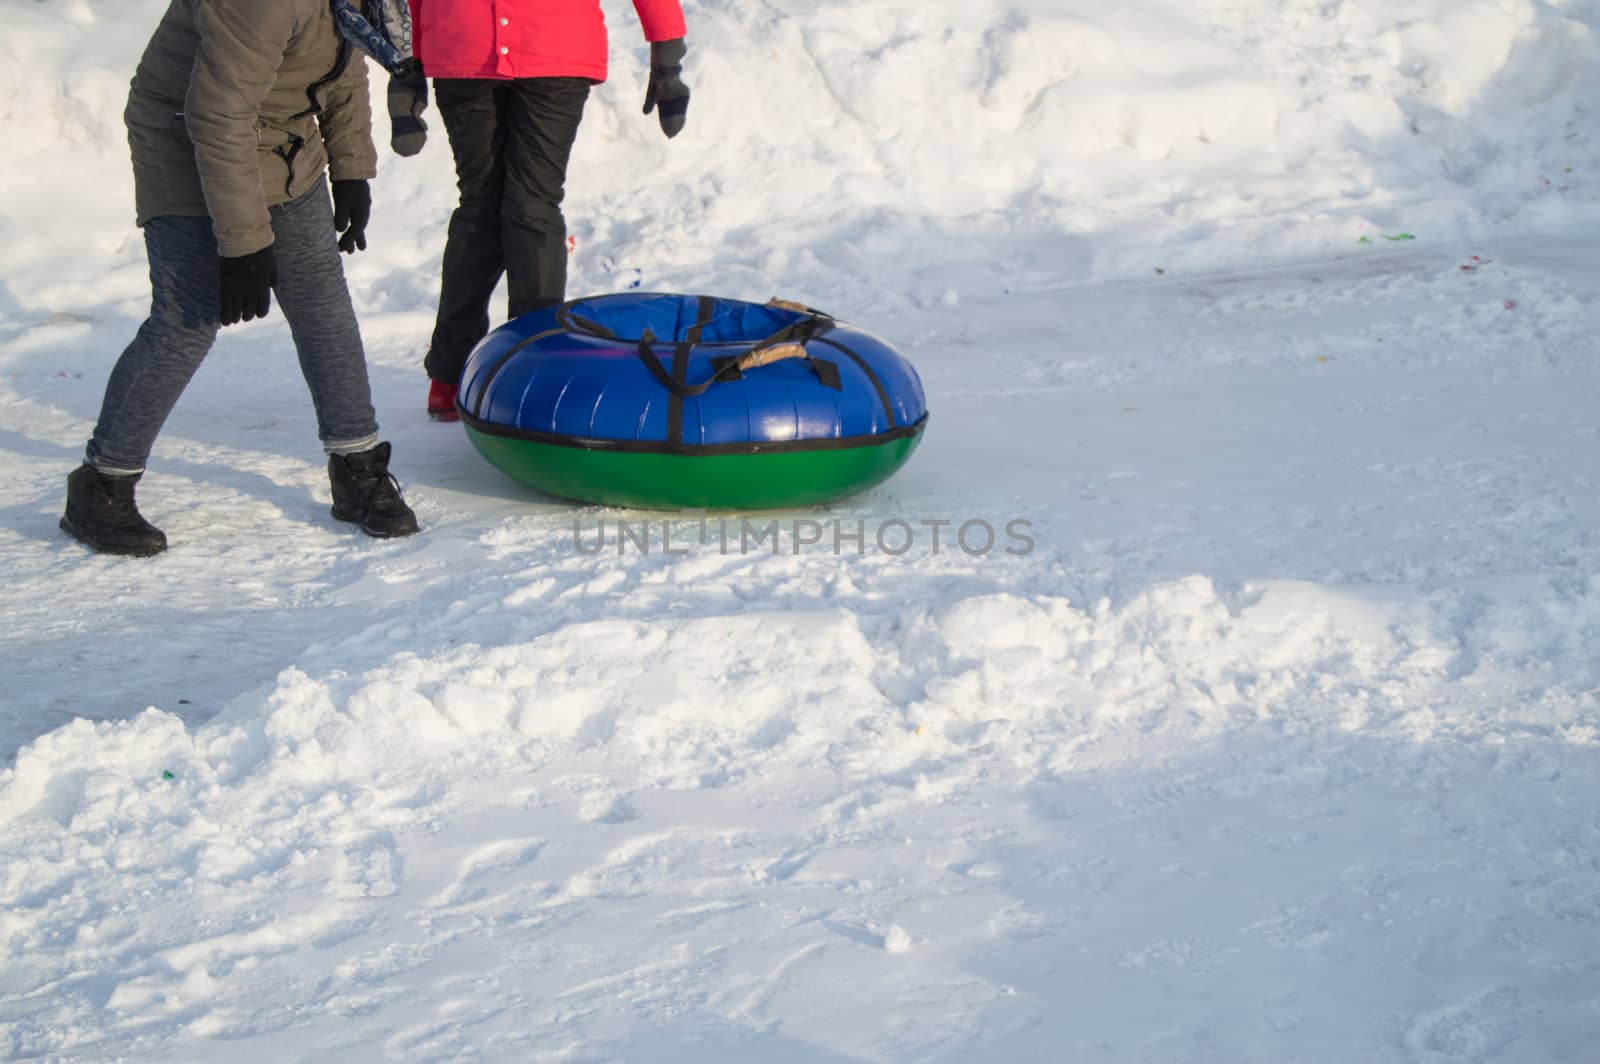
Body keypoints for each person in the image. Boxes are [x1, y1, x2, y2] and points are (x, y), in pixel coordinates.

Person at [60, 0, 421, 557]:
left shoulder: (355, 3)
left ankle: (357, 468)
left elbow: (342, 70)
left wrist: (351, 170)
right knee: (189, 317)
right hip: (185, 137)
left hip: (282, 137)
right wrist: (244, 245)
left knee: (319, 295)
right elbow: (219, 114)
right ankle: (101, 485)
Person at [412, 0, 691, 421]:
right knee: (492, 207)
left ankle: (522, 365)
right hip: (470, 47)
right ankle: (477, 370)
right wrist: (409, 61)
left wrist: (667, 52)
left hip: (542, 49)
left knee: (523, 207)